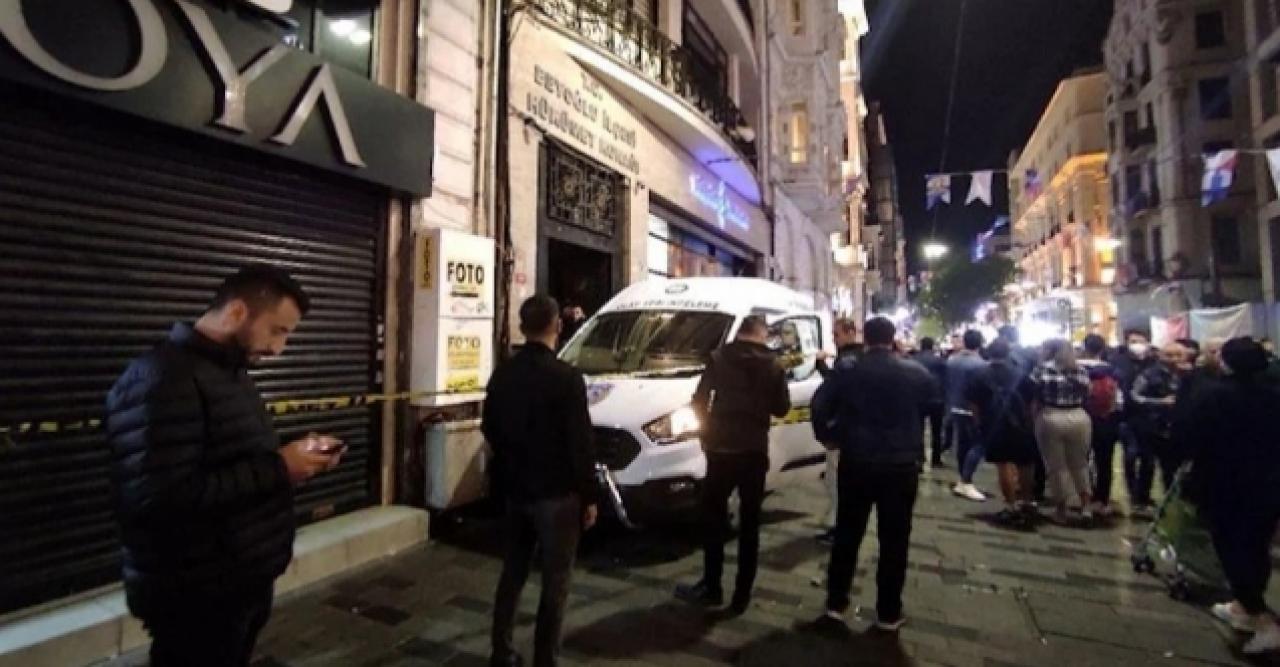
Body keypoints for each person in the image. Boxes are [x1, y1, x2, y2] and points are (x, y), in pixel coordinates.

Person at [106, 265, 344, 667]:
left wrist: (296, 456)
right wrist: (280, 468)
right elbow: (157, 499)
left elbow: (231, 457)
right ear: (236, 313)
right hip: (195, 594)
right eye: (277, 331)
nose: (278, 349)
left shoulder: (227, 372)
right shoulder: (160, 378)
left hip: (236, 583)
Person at [483, 295, 599, 667]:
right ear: (558, 326)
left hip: (516, 491)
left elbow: (489, 427)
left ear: (522, 326)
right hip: (558, 496)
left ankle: (501, 650)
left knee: (512, 573)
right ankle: (545, 660)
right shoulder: (567, 378)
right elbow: (580, 443)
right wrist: (589, 495)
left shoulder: (503, 373)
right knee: (556, 581)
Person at [815, 317, 934, 632]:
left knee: (847, 535)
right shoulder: (916, 373)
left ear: (865, 338)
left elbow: (820, 405)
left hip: (858, 461)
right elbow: (933, 407)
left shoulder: (849, 370)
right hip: (901, 465)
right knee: (894, 540)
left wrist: (828, 437)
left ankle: (836, 604)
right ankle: (888, 612)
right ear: (892, 338)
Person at [676, 316, 790, 614]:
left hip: (721, 448)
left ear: (741, 333)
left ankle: (712, 586)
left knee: (712, 518)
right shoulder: (774, 364)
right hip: (754, 450)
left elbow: (699, 400)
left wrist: (705, 434)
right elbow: (782, 408)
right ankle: (742, 595)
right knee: (750, 523)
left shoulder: (719, 357)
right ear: (761, 334)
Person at [1186, 338, 1280, 654]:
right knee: (1257, 545)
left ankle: (1261, 619)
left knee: (1231, 548)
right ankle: (1244, 604)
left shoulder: (1215, 396)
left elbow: (1193, 437)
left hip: (1224, 483)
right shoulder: (1273, 396)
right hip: (1268, 483)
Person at [965, 340, 1038, 528]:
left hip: (995, 425)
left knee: (1003, 464)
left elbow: (973, 405)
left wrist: (978, 423)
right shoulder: (1022, 374)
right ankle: (1027, 500)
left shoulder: (979, 375)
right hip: (1021, 425)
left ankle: (1011, 503)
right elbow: (1033, 403)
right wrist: (1031, 422)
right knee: (1025, 464)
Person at [1029, 339, 1094, 525]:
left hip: (1051, 415)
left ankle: (1061, 509)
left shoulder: (1041, 370)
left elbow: (1034, 395)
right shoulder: (1080, 370)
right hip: (1079, 416)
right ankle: (1086, 506)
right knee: (1080, 464)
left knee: (1056, 466)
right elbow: (1088, 392)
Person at [813, 318, 860, 544]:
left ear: (851, 332)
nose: (834, 339)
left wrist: (826, 433)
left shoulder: (847, 361)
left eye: (837, 334)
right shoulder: (860, 358)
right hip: (858, 436)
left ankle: (838, 529)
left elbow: (830, 395)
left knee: (837, 483)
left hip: (842, 435)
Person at [1128, 342, 1185, 515]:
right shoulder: (1149, 374)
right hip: (1150, 426)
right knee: (1148, 464)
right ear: (1161, 355)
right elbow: (1135, 395)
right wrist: (1159, 402)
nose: (1174, 359)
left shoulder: (1186, 375)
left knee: (1171, 467)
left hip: (1174, 427)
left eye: (1178, 355)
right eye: (1169, 355)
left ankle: (1171, 501)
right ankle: (1142, 500)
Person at [1079, 334, 1124, 517]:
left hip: (1081, 419)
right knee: (1105, 462)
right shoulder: (1113, 371)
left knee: (1082, 461)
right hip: (1106, 421)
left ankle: (1085, 497)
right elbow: (1120, 401)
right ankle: (1103, 500)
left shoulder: (1076, 369)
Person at [946, 330, 988, 501]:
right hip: (972, 409)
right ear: (980, 344)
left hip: (954, 406)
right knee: (978, 445)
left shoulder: (952, 361)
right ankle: (966, 480)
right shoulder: (980, 364)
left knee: (962, 445)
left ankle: (962, 478)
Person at [913, 337, 948, 467]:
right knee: (937, 431)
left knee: (918, 430)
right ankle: (936, 459)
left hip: (919, 399)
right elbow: (945, 380)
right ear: (932, 346)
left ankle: (919, 459)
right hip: (937, 399)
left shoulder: (914, 359)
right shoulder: (940, 361)